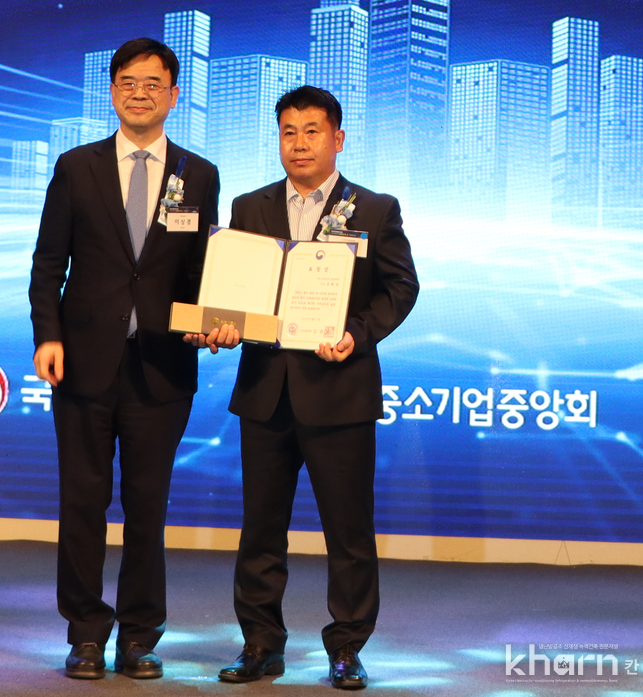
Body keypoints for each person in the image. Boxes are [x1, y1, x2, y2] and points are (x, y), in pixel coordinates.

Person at [28, 37, 219, 680]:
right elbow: (48, 262)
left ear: (173, 95)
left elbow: (201, 271)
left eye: (153, 83)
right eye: (128, 83)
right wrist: (47, 335)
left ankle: (139, 637)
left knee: (147, 507)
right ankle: (85, 634)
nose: (140, 94)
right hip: (82, 362)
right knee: (82, 502)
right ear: (112, 92)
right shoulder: (76, 166)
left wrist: (213, 321)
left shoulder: (199, 174)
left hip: (163, 367)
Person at [217, 86, 419, 690]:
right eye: (288, 131)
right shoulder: (249, 206)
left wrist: (357, 334)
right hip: (265, 392)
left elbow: (400, 288)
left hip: (339, 392)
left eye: (311, 131)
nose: (298, 143)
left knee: (348, 532)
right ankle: (260, 644)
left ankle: (348, 647)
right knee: (260, 529)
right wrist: (222, 323)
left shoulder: (375, 209)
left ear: (338, 138)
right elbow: (235, 290)